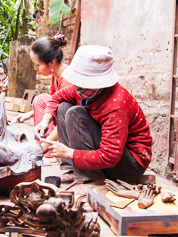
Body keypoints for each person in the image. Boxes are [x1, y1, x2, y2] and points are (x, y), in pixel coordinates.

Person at [34, 45, 152, 184]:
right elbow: (57, 97)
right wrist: (46, 120)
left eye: (81, 84)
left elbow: (110, 156)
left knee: (75, 114)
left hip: (130, 165)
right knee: (64, 106)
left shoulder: (116, 105)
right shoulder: (84, 90)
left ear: (97, 83)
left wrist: (69, 153)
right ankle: (72, 169)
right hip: (113, 154)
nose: (76, 88)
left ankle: (89, 179)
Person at [12, 34, 72, 165]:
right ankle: (45, 151)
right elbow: (51, 104)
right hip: (64, 117)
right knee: (40, 100)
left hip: (73, 123)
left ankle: (47, 152)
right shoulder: (55, 75)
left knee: (52, 104)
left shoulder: (67, 80)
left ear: (52, 62)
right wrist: (28, 114)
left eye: (37, 65)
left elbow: (64, 118)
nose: (35, 69)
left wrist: (41, 148)